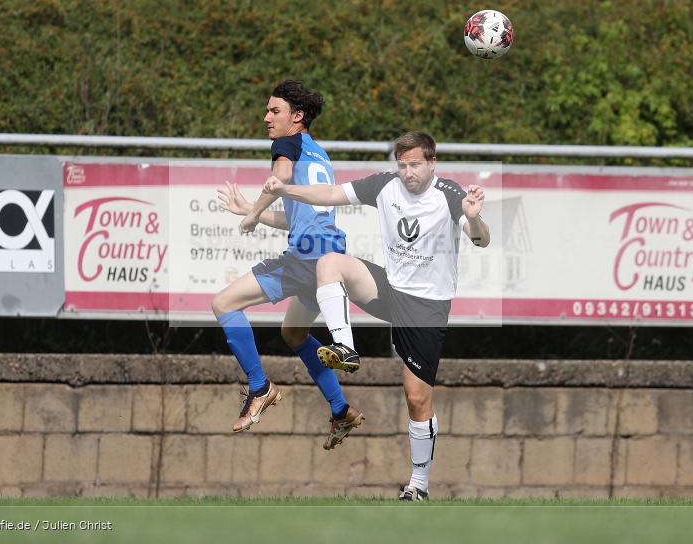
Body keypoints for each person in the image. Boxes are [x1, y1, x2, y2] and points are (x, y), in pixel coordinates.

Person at [262, 131, 490, 501]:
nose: (408, 172)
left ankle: (419, 485)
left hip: (426, 307)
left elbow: (481, 239)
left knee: (416, 398)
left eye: (415, 164)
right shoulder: (385, 185)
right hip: (389, 289)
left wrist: (475, 220)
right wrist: (286, 190)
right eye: (402, 165)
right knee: (329, 263)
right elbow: (331, 194)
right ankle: (345, 347)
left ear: (432, 163)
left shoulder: (449, 194)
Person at [210, 79, 363, 450]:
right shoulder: (318, 153)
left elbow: (278, 178)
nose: (266, 118)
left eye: (274, 110)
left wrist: (252, 215)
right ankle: (340, 410)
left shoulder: (287, 143)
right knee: (293, 334)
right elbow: (298, 216)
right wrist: (252, 210)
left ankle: (260, 388)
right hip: (328, 259)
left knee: (224, 304)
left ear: (297, 116)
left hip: (306, 260)